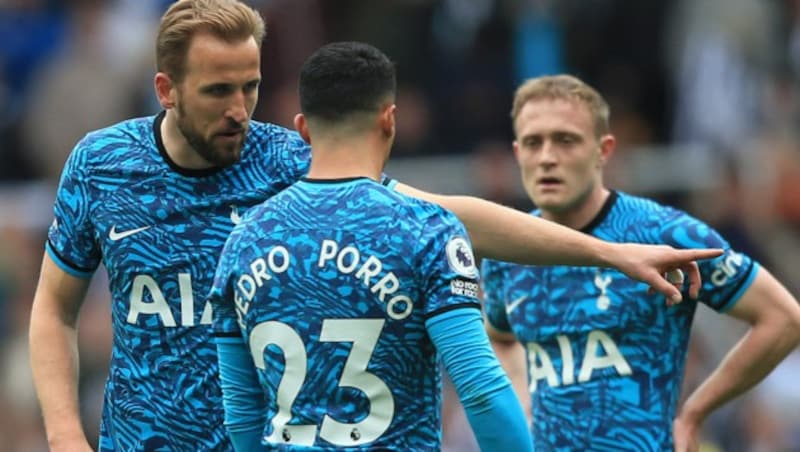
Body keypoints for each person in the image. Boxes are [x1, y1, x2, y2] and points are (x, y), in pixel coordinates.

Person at [27, 1, 721, 450]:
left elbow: (446, 215)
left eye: (252, 87)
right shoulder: (101, 166)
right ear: (165, 89)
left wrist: (604, 252)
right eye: (218, 92)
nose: (240, 108)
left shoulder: (284, 160)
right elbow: (52, 310)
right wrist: (63, 430)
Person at [207, 40, 533, 451]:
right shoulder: (427, 230)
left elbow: (240, 412)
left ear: (303, 128)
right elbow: (481, 389)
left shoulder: (242, 241)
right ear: (388, 119)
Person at [481, 74, 800, 451]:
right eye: (534, 143)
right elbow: (499, 337)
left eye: (566, 140)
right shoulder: (509, 252)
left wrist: (696, 410)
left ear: (604, 149)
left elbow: (783, 318)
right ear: (518, 154)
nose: (548, 157)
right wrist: (521, 399)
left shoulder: (663, 235)